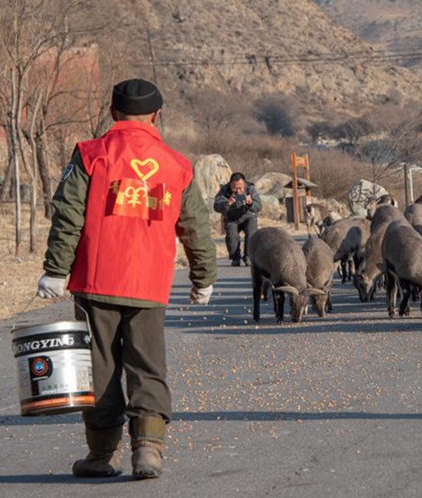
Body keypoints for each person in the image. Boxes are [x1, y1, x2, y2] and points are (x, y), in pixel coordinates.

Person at [35, 78, 217, 480]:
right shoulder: (177, 165)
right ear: (157, 115)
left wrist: (55, 268)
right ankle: (148, 451)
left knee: (98, 368)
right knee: (147, 365)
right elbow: (196, 228)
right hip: (150, 284)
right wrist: (203, 277)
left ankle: (101, 456)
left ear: (113, 113)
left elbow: (68, 215)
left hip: (96, 282)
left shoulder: (90, 154)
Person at [213, 172, 262, 266]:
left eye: (241, 188)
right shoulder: (224, 190)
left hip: (248, 216)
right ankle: (235, 257)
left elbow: (259, 205)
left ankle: (248, 256)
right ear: (230, 185)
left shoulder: (251, 189)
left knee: (252, 231)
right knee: (232, 237)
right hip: (231, 218)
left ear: (245, 184)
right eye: (235, 188)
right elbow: (216, 206)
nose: (238, 191)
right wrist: (227, 203)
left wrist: (250, 204)